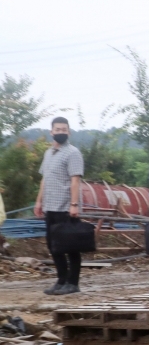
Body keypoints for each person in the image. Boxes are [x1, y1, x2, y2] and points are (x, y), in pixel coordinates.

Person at [34, 117, 84, 295]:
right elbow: (44, 179)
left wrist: (74, 204)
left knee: (70, 245)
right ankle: (61, 279)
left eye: (64, 129)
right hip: (50, 206)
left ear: (69, 132)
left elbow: (75, 180)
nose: (61, 132)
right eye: (58, 129)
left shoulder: (73, 153)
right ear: (52, 132)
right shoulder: (48, 153)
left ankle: (73, 282)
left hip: (66, 206)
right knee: (53, 245)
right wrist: (39, 201)